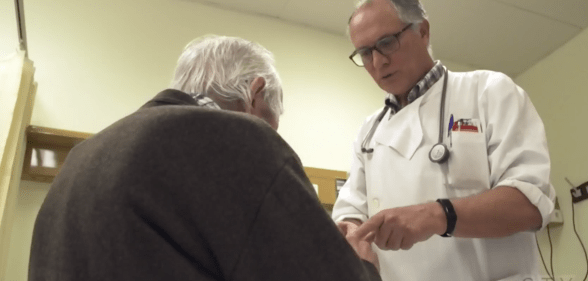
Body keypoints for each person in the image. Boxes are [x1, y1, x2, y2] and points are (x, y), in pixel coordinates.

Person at [28, 35, 380, 281]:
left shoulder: (81, 158)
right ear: (255, 93)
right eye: (272, 125)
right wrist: (362, 262)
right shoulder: (239, 140)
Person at [332, 0, 556, 280]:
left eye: (387, 43)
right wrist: (351, 229)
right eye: (365, 53)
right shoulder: (368, 133)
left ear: (423, 31)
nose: (378, 62)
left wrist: (438, 215)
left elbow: (530, 204)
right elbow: (350, 211)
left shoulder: (489, 92)